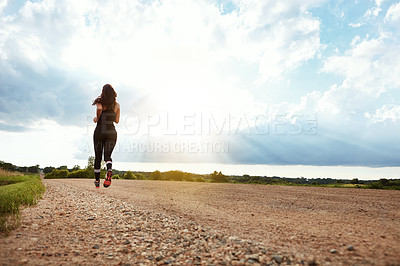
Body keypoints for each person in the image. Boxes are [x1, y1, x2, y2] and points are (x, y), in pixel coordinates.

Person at [92, 84, 120, 188]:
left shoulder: (100, 102)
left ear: (103, 92)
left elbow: (99, 109)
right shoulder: (117, 105)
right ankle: (109, 169)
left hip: (100, 130)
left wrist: (97, 118)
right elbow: (117, 121)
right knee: (107, 155)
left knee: (98, 156)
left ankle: (97, 181)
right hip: (112, 131)